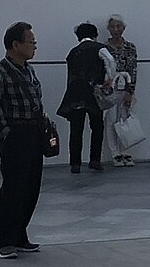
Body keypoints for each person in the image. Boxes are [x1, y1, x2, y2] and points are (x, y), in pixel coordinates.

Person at [0, 21, 51, 259]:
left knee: (31, 188)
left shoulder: (29, 70)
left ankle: (20, 237)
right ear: (16, 45)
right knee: (13, 188)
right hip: (15, 135)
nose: (35, 47)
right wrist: (6, 133)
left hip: (34, 134)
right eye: (31, 42)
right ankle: (4, 241)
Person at [58, 23, 116, 174]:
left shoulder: (72, 52)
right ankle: (95, 160)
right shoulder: (99, 48)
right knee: (97, 127)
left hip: (74, 94)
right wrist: (109, 79)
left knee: (76, 129)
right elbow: (110, 61)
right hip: (93, 93)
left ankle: (75, 163)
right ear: (95, 35)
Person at [103, 15, 139, 167]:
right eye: (112, 27)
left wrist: (130, 91)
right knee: (111, 120)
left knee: (125, 119)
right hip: (110, 88)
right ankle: (115, 153)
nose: (116, 30)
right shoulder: (103, 48)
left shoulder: (130, 47)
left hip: (125, 86)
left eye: (118, 26)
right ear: (108, 29)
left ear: (123, 28)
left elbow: (133, 70)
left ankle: (125, 151)